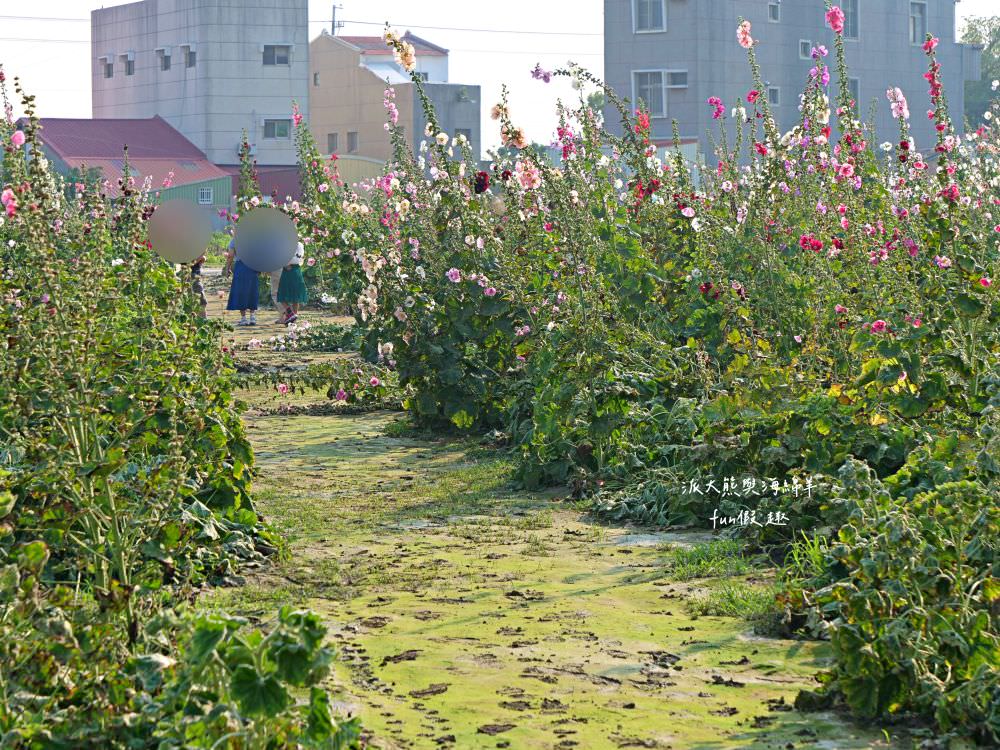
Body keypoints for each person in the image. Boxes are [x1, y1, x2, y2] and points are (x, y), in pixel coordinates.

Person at [224, 237, 259, 325]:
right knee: (252, 291)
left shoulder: (235, 240)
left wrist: (227, 268)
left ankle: (243, 319)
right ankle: (252, 317)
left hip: (241, 267)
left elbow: (230, 256)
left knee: (241, 292)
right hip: (253, 266)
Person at [276, 241, 308, 324]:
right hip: (293, 269)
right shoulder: (295, 244)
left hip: (291, 269)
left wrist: (286, 263)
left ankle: (291, 314)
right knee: (291, 294)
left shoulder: (294, 244)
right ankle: (293, 314)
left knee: (287, 294)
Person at [191, 254, 207, 319]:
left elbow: (202, 259)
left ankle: (202, 321)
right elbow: (189, 264)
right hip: (192, 276)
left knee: (201, 302)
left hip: (196, 275)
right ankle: (202, 321)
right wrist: (200, 257)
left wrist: (202, 258)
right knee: (201, 302)